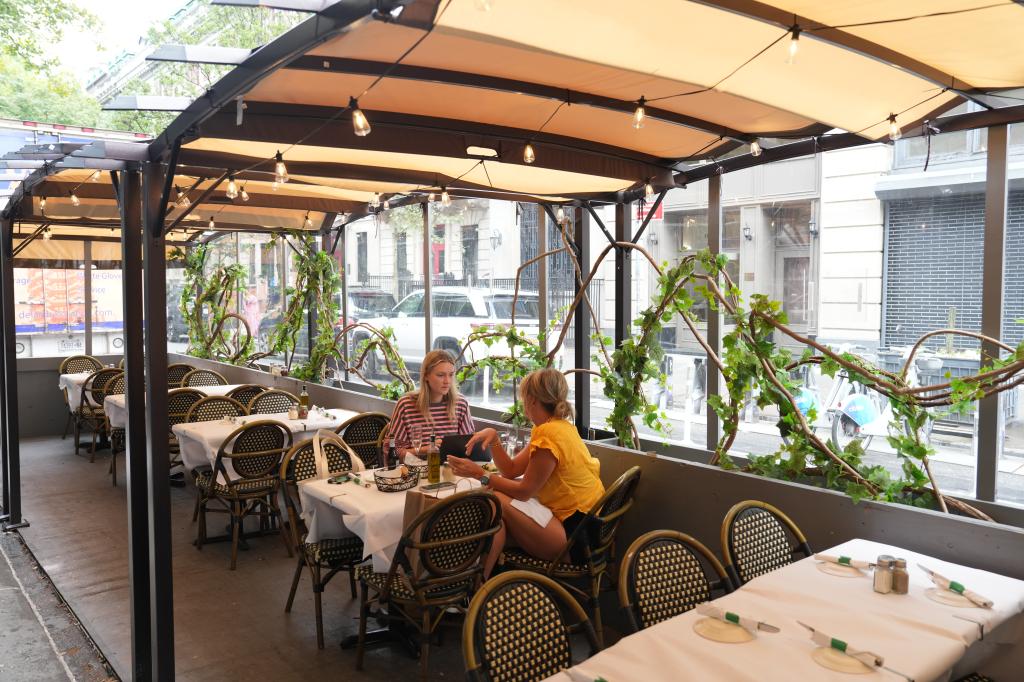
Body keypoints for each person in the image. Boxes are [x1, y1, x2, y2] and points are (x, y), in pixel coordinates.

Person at [448, 367, 605, 577]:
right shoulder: (558, 426)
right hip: (594, 526)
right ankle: (480, 584)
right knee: (498, 520)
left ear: (531, 400)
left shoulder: (548, 434)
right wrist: (494, 439)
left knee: (492, 498)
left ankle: (472, 586)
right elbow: (511, 470)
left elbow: (524, 491)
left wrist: (480, 474)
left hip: (576, 536)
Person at [386, 349, 474, 458]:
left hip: (450, 470)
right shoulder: (406, 405)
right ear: (426, 376)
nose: (447, 381)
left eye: (451, 375)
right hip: (415, 470)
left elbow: (469, 448)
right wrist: (425, 450)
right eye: (440, 375)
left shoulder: (460, 404)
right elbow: (393, 452)